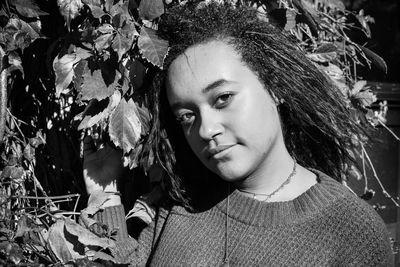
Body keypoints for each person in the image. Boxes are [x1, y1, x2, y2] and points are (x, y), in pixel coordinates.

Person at [82, 1, 393, 266]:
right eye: (187, 116)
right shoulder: (183, 202)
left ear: (273, 87)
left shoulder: (351, 231)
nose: (205, 129)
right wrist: (105, 193)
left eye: (223, 98)